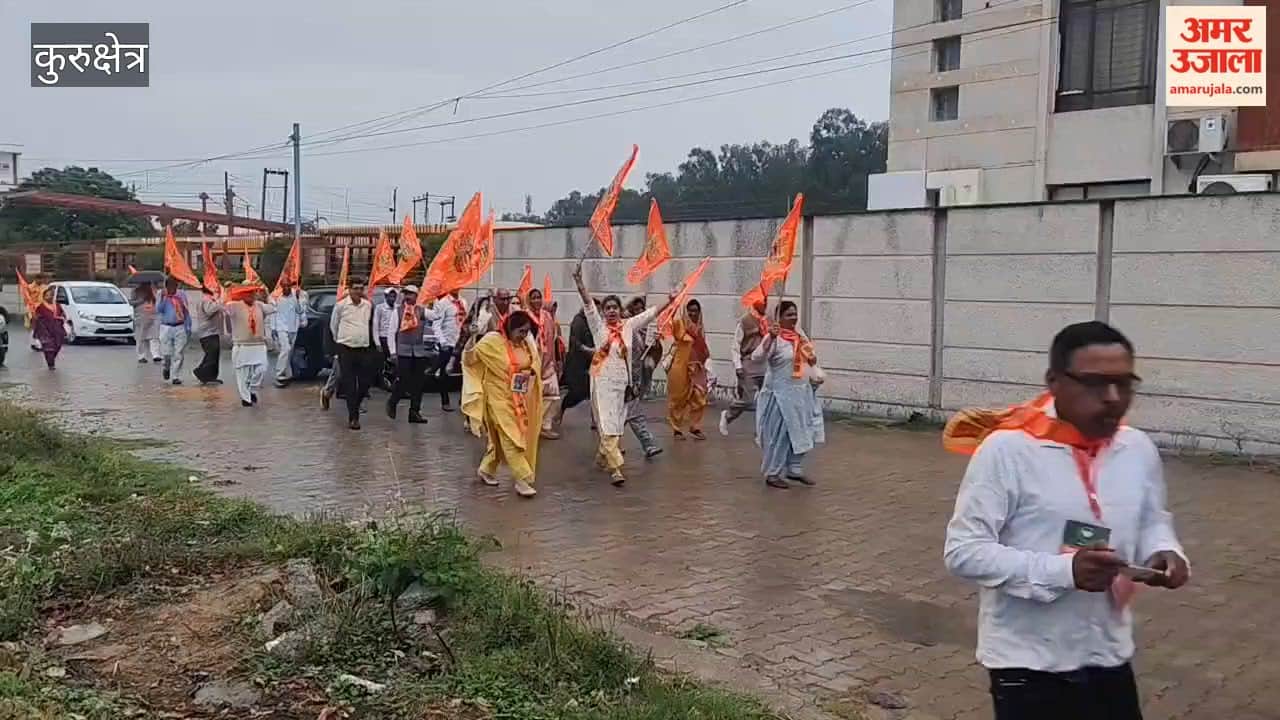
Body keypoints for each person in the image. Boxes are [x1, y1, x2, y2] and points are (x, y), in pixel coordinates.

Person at [942, 321, 1189, 720]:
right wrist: (1065, 571)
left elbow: (1152, 518)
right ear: (1054, 381)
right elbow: (964, 551)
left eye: (1124, 384)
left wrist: (1165, 552)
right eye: (1094, 383)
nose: (1112, 398)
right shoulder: (1008, 450)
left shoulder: (1137, 448)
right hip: (1029, 665)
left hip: (1108, 652)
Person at [573, 261, 676, 486]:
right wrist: (579, 282)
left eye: (614, 307)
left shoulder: (628, 326)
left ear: (620, 311)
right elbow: (588, 304)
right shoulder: (598, 327)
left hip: (622, 385)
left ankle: (602, 457)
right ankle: (616, 468)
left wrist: (669, 300)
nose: (611, 311)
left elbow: (649, 314)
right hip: (601, 383)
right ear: (603, 312)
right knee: (609, 424)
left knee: (617, 425)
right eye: (607, 308)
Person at [462, 310, 543, 498]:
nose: (524, 336)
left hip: (518, 398)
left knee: (499, 441)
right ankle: (523, 479)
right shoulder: (492, 341)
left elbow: (534, 364)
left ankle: (486, 469)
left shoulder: (525, 344)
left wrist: (530, 372)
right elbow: (469, 358)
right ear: (510, 328)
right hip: (497, 398)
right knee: (510, 437)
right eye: (521, 331)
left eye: (527, 332)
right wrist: (472, 337)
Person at [752, 301, 824, 489]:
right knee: (780, 435)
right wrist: (770, 339)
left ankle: (794, 468)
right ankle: (773, 473)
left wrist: (813, 364)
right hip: (780, 396)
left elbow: (809, 355)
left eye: (794, 314)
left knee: (803, 430)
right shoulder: (775, 338)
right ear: (779, 318)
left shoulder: (799, 336)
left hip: (800, 393)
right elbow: (757, 357)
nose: (793, 318)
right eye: (789, 315)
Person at [330, 278, 378, 430]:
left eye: (360, 288)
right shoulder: (341, 306)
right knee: (349, 384)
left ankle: (355, 406)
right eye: (355, 288)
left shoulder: (367, 305)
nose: (358, 291)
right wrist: (340, 341)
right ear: (349, 290)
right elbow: (334, 326)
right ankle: (353, 418)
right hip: (346, 348)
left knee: (365, 383)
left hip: (363, 348)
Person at [720, 297, 769, 435]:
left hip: (765, 364)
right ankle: (728, 415)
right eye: (761, 301)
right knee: (747, 400)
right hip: (749, 363)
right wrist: (738, 366)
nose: (764, 303)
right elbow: (735, 345)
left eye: (765, 300)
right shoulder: (745, 321)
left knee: (767, 399)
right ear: (755, 302)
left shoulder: (769, 320)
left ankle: (762, 431)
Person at [623, 297, 663, 459]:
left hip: (636, 379)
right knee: (627, 414)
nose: (640, 312)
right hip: (622, 378)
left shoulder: (645, 331)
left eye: (642, 309)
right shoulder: (625, 327)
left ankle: (647, 445)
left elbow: (651, 353)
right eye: (636, 309)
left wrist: (656, 343)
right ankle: (647, 444)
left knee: (629, 413)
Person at [667, 298, 711, 440]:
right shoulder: (680, 324)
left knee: (700, 397)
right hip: (680, 366)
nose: (693, 314)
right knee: (678, 398)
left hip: (697, 367)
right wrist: (673, 304)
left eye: (695, 311)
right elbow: (671, 324)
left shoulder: (700, 328)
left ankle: (695, 426)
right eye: (690, 311)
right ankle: (677, 429)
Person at [386, 285, 431, 424]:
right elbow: (391, 332)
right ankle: (393, 402)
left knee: (418, 383)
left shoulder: (422, 310)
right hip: (403, 351)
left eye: (411, 294)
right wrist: (393, 352)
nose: (407, 297)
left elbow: (437, 315)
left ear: (416, 296)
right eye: (406, 294)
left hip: (418, 351)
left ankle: (414, 412)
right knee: (403, 380)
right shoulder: (398, 311)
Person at [224, 287, 276, 406]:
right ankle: (245, 398)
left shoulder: (260, 305)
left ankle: (252, 388)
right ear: (242, 295)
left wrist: (268, 295)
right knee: (242, 374)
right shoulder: (234, 306)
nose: (251, 297)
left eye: (253, 294)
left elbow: (273, 308)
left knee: (262, 368)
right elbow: (223, 306)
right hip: (242, 345)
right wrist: (226, 292)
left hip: (258, 344)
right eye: (248, 294)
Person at [550, 299, 597, 432]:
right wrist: (588, 350)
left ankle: (596, 420)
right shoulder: (578, 321)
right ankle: (561, 409)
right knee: (579, 392)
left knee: (594, 392)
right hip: (578, 364)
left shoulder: (593, 322)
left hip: (593, 362)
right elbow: (575, 341)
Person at [525, 288, 563, 440]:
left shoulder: (547, 316)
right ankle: (531, 425)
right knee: (532, 397)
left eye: (538, 297)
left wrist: (557, 359)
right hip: (531, 363)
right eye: (533, 298)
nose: (536, 301)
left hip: (548, 362)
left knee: (553, 397)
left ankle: (545, 426)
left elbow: (554, 339)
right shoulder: (525, 317)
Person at [426, 289, 467, 411]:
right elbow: (436, 325)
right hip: (447, 342)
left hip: (460, 341)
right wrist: (442, 341)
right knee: (444, 373)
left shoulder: (463, 302)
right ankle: (445, 401)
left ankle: (463, 400)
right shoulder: (442, 303)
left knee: (464, 371)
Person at [271, 280, 308, 387]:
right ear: (282, 287)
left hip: (293, 327)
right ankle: (279, 374)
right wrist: (273, 328)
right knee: (285, 349)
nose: (286, 288)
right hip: (281, 327)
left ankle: (287, 374)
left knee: (289, 351)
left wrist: (297, 298)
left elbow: (300, 310)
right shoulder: (277, 297)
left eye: (288, 286)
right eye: (284, 286)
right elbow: (274, 313)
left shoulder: (296, 296)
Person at [155, 278, 192, 385]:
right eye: (170, 286)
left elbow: (186, 311)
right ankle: (166, 367)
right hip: (166, 327)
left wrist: (188, 326)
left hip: (179, 326)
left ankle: (176, 375)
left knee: (179, 353)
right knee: (166, 353)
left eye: (174, 286)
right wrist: (163, 298)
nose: (172, 289)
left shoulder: (181, 295)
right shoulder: (162, 294)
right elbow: (159, 310)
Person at [191, 286, 225, 385]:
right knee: (212, 353)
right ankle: (201, 372)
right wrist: (219, 302)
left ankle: (210, 376)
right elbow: (209, 311)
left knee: (214, 353)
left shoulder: (211, 299)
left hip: (212, 331)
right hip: (207, 332)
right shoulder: (206, 299)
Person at [31, 287, 65, 370]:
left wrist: (62, 318)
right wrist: (35, 318)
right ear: (44, 297)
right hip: (45, 330)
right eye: (48, 295)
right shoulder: (40, 307)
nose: (50, 297)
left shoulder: (57, 305)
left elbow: (63, 315)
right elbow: (35, 318)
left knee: (57, 346)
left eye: (51, 295)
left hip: (57, 330)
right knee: (48, 347)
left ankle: (52, 359)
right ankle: (51, 364)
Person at [130, 281, 162, 363]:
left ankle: (156, 355)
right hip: (141, 317)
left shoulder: (154, 291)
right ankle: (141, 356)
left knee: (155, 336)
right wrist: (141, 300)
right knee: (141, 337)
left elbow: (158, 302)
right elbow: (131, 302)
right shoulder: (135, 291)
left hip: (153, 316)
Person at [373, 287, 399, 359]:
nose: (392, 299)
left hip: (395, 338)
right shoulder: (379, 308)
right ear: (385, 296)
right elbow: (375, 326)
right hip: (383, 338)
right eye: (390, 296)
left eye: (394, 297)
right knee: (385, 360)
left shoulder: (397, 307)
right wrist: (377, 343)